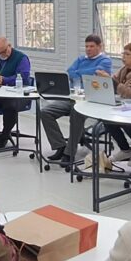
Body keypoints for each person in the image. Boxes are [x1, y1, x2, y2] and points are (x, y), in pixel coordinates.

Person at [67, 41, 131, 166]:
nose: (123, 57)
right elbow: (114, 82)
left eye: (127, 54)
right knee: (107, 119)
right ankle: (125, 149)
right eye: (123, 54)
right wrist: (106, 79)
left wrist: (110, 80)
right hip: (129, 104)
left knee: (126, 121)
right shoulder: (125, 69)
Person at [37, 34, 113, 164]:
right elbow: (70, 72)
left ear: (100, 47)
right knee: (45, 112)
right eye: (86, 46)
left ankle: (69, 153)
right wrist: (85, 73)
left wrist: (79, 73)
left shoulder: (105, 61)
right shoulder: (81, 59)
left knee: (76, 113)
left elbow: (92, 73)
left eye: (91, 46)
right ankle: (60, 146)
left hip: (90, 100)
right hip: (73, 97)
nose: (88, 49)